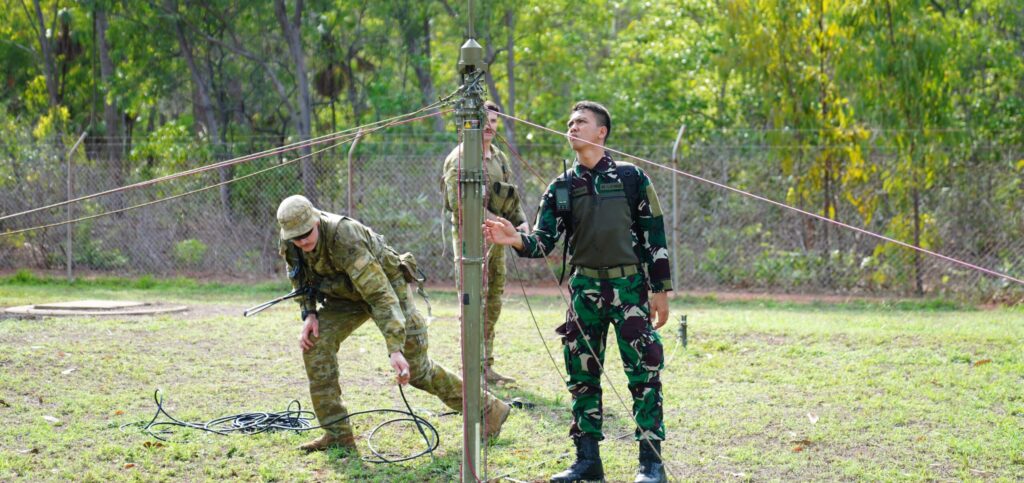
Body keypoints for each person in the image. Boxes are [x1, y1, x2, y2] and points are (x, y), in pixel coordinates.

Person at [484, 101, 671, 483]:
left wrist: (661, 289)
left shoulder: (632, 177)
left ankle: (651, 464)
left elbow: (656, 235)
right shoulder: (562, 187)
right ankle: (588, 461)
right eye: (569, 122)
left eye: (580, 122)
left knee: (644, 373)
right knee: (582, 376)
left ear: (601, 132)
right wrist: (514, 239)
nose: (572, 127)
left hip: (630, 288)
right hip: (584, 289)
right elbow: (542, 242)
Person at [276, 195, 511, 453]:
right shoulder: (291, 240)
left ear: (316, 221)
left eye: (306, 234)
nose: (302, 241)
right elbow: (298, 276)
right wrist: (308, 313)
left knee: (418, 371)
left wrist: (395, 348)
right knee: (315, 344)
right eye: (295, 237)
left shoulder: (345, 237)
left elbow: (380, 295)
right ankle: (337, 434)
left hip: (387, 288)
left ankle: (489, 409)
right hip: (345, 296)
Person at [442, 100, 528, 384]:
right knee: (472, 304)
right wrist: (501, 224)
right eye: (484, 120)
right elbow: (462, 208)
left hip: (496, 242)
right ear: (471, 123)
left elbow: (509, 195)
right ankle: (472, 370)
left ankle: (486, 367)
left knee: (492, 302)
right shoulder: (460, 159)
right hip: (470, 245)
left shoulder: (498, 157)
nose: (489, 126)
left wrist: (520, 222)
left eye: (493, 121)